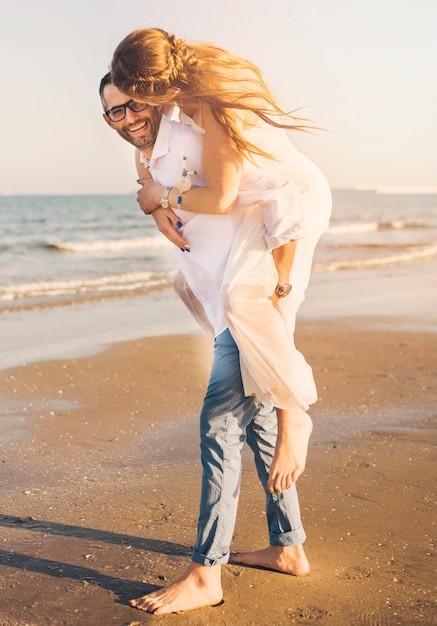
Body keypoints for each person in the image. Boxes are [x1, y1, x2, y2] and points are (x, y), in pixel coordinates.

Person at [101, 28, 332, 616]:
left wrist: (161, 197)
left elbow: (226, 196)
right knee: (250, 421)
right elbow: (164, 194)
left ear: (154, 92)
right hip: (221, 284)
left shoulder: (204, 118)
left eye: (132, 102)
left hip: (268, 247)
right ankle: (289, 547)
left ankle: (207, 573)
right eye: (112, 112)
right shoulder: (158, 140)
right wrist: (154, 204)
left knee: (219, 425)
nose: (125, 117)